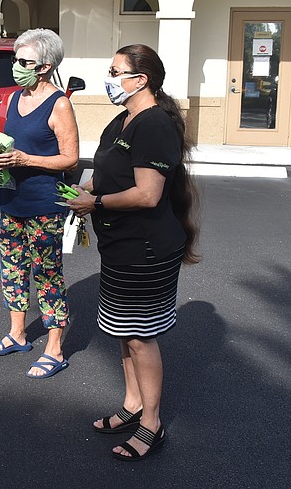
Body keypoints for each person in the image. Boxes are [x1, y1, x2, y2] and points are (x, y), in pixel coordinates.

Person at [67, 44, 200, 461]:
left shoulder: (154, 125)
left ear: (140, 80)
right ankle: (132, 405)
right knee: (124, 332)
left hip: (146, 249)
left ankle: (152, 423)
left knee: (141, 337)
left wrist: (97, 204)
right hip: (119, 248)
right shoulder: (122, 120)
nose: (109, 78)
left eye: (115, 71)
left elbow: (146, 194)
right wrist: (82, 191)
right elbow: (104, 173)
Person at [0, 28, 79, 379]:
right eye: (15, 59)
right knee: (11, 268)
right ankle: (17, 334)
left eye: (24, 61)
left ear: (45, 66)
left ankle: (54, 348)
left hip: (44, 204)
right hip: (10, 200)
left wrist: (26, 160)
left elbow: (70, 158)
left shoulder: (59, 104)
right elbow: (8, 144)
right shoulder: (13, 99)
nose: (16, 66)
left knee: (47, 273)